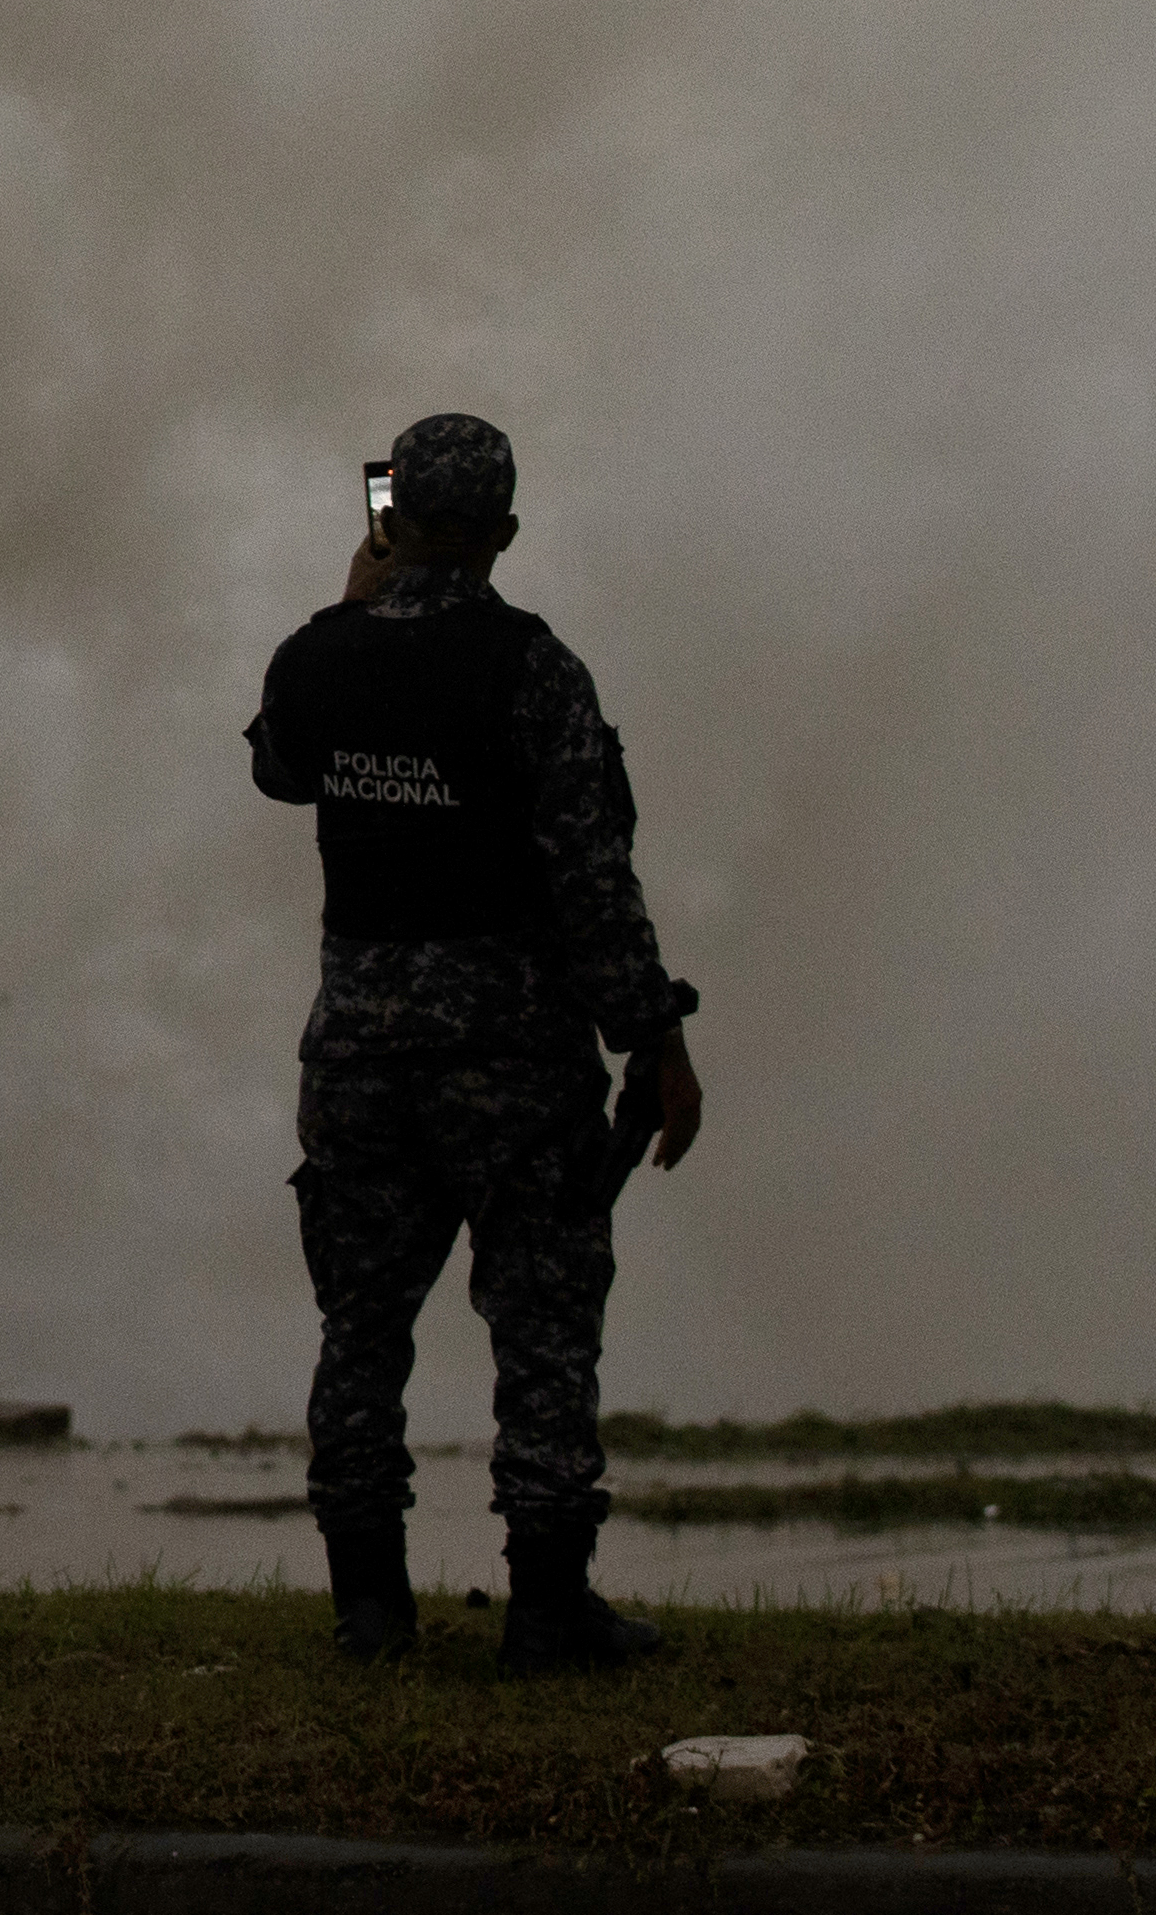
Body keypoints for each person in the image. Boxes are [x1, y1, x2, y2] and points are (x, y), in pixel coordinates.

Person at [247, 411, 703, 1671]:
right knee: (542, 1332)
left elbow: (281, 770)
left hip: (358, 1063)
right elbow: (591, 879)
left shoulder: (316, 656)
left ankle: (370, 1610)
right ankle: (548, 1609)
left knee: (360, 1330)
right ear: (502, 529)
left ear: (392, 518)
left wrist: (354, 603)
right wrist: (656, 1041)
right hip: (512, 1067)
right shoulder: (534, 669)